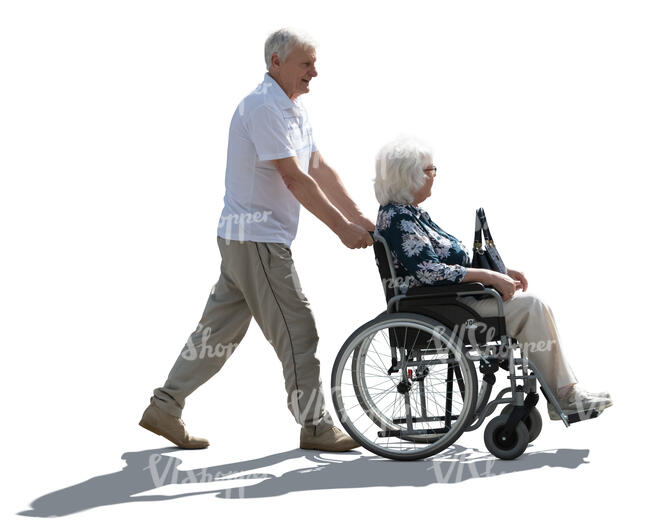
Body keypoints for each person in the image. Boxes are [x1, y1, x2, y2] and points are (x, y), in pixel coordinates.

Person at [139, 28, 375, 451]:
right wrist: (342, 229)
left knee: (216, 334)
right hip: (258, 242)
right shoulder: (264, 108)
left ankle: (165, 406)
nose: (315, 72)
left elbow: (318, 167)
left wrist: (359, 217)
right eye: (306, 63)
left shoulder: (292, 109)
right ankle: (316, 425)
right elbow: (293, 178)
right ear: (276, 63)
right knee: (298, 329)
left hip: (244, 240)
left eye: (314, 63)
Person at [372, 137, 612, 420]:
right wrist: (488, 276)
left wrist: (500, 273)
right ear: (410, 175)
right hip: (441, 309)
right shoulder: (399, 219)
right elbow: (430, 272)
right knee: (531, 307)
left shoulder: (410, 214)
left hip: (451, 303)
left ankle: (566, 392)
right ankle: (564, 395)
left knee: (534, 305)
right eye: (430, 170)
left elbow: (443, 263)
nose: (435, 176)